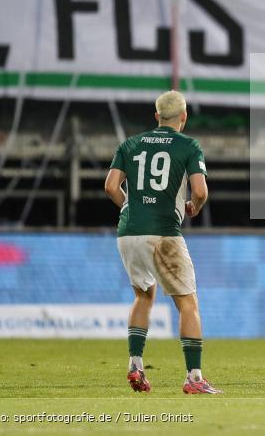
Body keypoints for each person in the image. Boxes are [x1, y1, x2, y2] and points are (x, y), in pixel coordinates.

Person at [104, 91, 221, 394]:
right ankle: (194, 378)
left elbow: (111, 186)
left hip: (128, 232)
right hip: (163, 233)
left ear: (156, 116)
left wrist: (130, 206)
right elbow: (201, 190)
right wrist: (194, 205)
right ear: (183, 117)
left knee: (143, 296)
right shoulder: (188, 145)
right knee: (188, 303)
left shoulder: (129, 144)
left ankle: (135, 365)